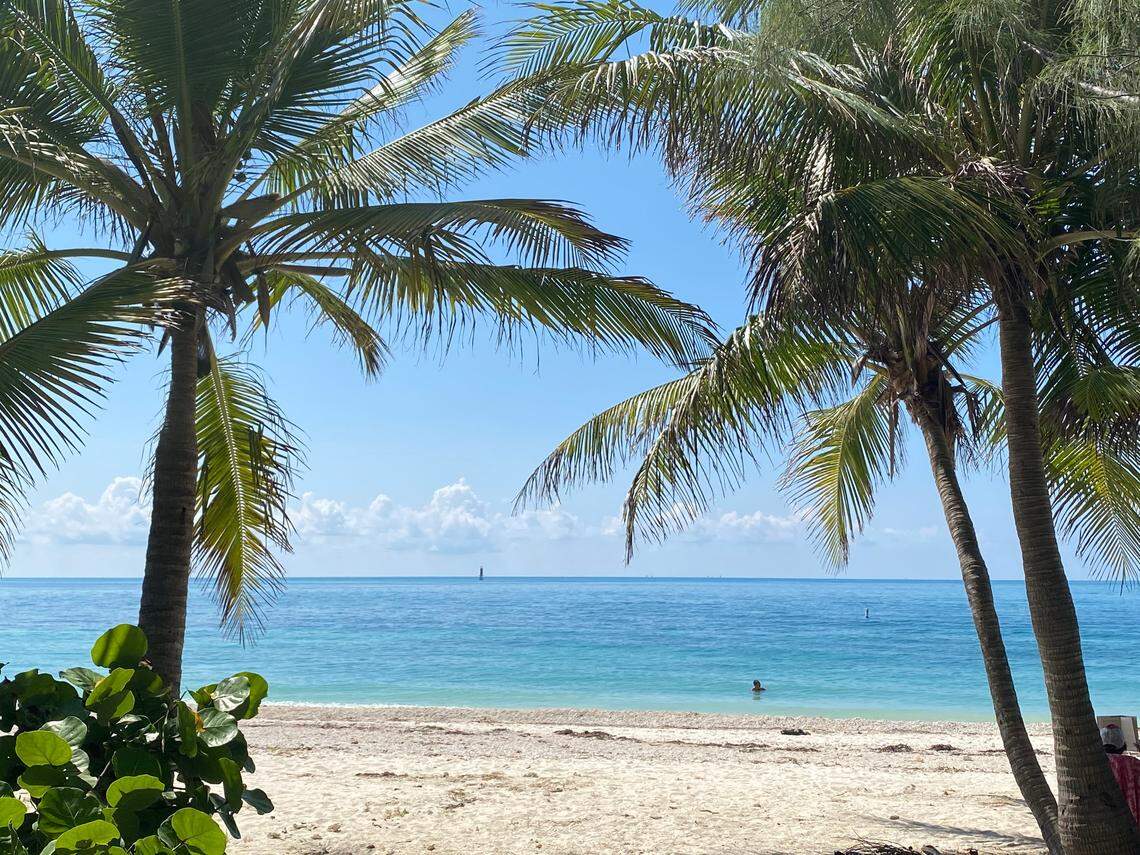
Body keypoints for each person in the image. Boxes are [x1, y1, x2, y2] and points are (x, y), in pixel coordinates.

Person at [1102, 724, 1140, 825]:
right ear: (1123, 745)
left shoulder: (1095, 763)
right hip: (1131, 816)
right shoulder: (1131, 762)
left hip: (1104, 817)